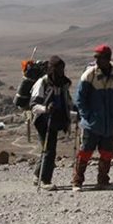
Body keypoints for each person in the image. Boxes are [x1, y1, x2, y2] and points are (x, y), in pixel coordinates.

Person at [74, 44, 113, 191]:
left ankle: (103, 180)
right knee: (85, 152)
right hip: (91, 124)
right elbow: (79, 99)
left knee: (107, 153)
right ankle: (77, 181)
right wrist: (88, 117)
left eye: (100, 58)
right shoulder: (89, 74)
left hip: (109, 123)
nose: (97, 61)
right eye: (95, 58)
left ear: (108, 58)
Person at [29, 55, 75, 190]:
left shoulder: (63, 83)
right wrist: (45, 109)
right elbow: (34, 105)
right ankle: (45, 180)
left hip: (56, 119)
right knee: (49, 150)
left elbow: (67, 100)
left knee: (47, 149)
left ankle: (38, 175)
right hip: (43, 120)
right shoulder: (42, 83)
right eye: (58, 69)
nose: (60, 72)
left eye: (62, 69)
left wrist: (75, 110)